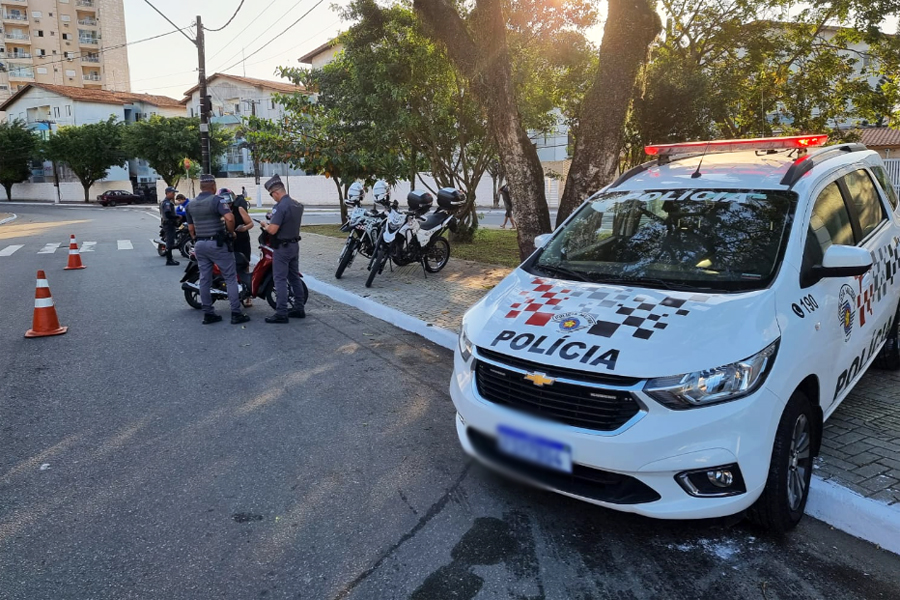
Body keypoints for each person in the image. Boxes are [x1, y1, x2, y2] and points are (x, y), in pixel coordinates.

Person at [185, 174, 251, 325]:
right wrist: (231, 232)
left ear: (201, 187)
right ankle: (236, 313)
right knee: (230, 278)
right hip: (217, 244)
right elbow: (229, 218)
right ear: (213, 186)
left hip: (200, 245)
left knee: (204, 279)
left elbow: (190, 228)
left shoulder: (191, 204)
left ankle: (208, 314)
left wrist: (197, 237)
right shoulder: (217, 200)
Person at [260, 174, 305, 323]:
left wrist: (264, 225)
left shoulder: (280, 207)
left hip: (282, 248)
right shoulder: (297, 205)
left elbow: (272, 230)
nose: (273, 198)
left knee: (279, 279)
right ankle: (299, 308)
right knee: (294, 278)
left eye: (272, 195)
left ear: (276, 192)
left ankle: (281, 313)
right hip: (294, 246)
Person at [222, 187, 255, 307]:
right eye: (226, 204)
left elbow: (250, 223)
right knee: (232, 267)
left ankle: (248, 297)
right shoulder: (221, 211)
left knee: (245, 266)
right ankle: (235, 293)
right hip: (229, 242)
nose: (229, 205)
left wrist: (244, 228)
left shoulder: (239, 209)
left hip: (242, 240)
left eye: (230, 203)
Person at [159, 186, 180, 266]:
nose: (174, 195)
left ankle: (170, 259)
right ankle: (169, 260)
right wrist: (177, 217)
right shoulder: (167, 203)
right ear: (167, 193)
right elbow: (168, 214)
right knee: (169, 242)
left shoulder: (167, 202)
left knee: (170, 241)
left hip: (169, 224)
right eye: (172, 193)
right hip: (169, 224)